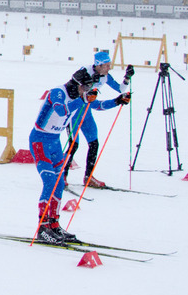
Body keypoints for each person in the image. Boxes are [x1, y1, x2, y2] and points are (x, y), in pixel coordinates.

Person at [30, 68, 129, 244]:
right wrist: (83, 99)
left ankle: (53, 224)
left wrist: (117, 100)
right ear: (77, 86)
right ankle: (42, 227)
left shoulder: (80, 96)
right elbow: (61, 111)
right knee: (49, 182)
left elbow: (97, 105)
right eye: (85, 89)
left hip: (54, 142)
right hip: (40, 141)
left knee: (59, 183)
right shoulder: (58, 93)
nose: (87, 92)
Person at [63, 51, 134, 188]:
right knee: (73, 146)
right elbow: (72, 88)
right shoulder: (85, 72)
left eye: (109, 65)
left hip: (86, 111)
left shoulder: (105, 76)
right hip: (74, 113)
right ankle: (63, 176)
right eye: (107, 65)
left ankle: (88, 177)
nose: (109, 68)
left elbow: (120, 89)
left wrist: (127, 78)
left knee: (94, 144)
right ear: (99, 65)